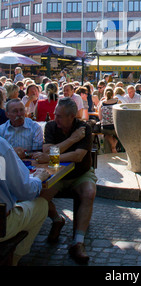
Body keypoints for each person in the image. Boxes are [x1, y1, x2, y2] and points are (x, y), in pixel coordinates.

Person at [31, 97, 97, 264]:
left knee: (89, 192)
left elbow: (78, 156)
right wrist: (72, 140)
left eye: (59, 116)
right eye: (55, 114)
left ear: (71, 116)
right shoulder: (52, 126)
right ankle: (57, 219)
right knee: (38, 193)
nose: (55, 118)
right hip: (55, 174)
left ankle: (78, 242)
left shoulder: (84, 128)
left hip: (80, 174)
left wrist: (51, 156)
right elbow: (46, 150)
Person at [0, 136, 49, 265]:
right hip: (2, 227)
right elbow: (26, 191)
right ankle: (13, 259)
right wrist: (38, 179)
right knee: (42, 205)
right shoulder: (1, 147)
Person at [98, 87, 119, 153]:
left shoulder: (102, 103)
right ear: (113, 94)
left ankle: (112, 147)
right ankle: (114, 146)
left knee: (107, 134)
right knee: (120, 133)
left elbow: (100, 117)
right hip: (116, 127)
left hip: (105, 127)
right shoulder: (118, 102)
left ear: (105, 94)